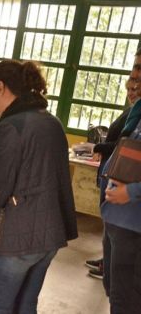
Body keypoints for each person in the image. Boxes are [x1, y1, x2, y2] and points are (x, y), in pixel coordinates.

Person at [0, 60, 77, 314]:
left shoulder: (11, 126)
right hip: (50, 234)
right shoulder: (51, 121)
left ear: (1, 87)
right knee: (26, 306)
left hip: (17, 237)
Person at [86, 77, 140, 282]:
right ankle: (106, 262)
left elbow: (121, 147)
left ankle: (107, 265)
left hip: (128, 201)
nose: (132, 91)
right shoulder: (131, 112)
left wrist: (97, 148)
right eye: (130, 87)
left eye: (136, 87)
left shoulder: (135, 115)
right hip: (114, 182)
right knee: (110, 233)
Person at [100, 48, 141, 314]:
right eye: (135, 68)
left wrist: (134, 191)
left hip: (134, 225)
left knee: (128, 301)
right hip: (116, 219)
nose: (134, 77)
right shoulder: (136, 113)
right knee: (115, 292)